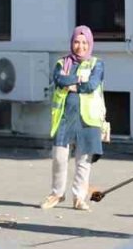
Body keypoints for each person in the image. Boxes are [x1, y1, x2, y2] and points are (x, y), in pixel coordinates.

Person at [40, 25, 106, 212]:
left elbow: (93, 84)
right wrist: (79, 80)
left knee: (83, 160)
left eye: (84, 42)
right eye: (77, 42)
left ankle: (79, 197)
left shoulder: (97, 63)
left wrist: (74, 84)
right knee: (59, 158)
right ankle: (57, 194)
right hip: (65, 117)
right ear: (72, 42)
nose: (80, 46)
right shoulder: (62, 63)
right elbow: (59, 79)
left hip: (88, 119)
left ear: (90, 43)